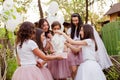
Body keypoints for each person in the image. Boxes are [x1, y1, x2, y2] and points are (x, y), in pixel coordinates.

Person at [67, 13, 83, 79]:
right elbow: (68, 41)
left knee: (80, 68)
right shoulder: (70, 30)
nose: (75, 22)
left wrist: (79, 47)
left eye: (76, 20)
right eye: (73, 21)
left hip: (80, 49)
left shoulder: (82, 28)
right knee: (73, 70)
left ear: (79, 19)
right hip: (72, 49)